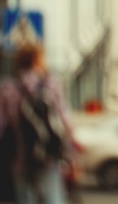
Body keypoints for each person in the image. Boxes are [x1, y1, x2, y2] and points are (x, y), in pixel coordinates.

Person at [0, 43, 80, 204]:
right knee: (53, 199)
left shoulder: (8, 89)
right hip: (48, 159)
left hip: (20, 161)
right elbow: (65, 121)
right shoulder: (52, 85)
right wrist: (72, 151)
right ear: (37, 61)